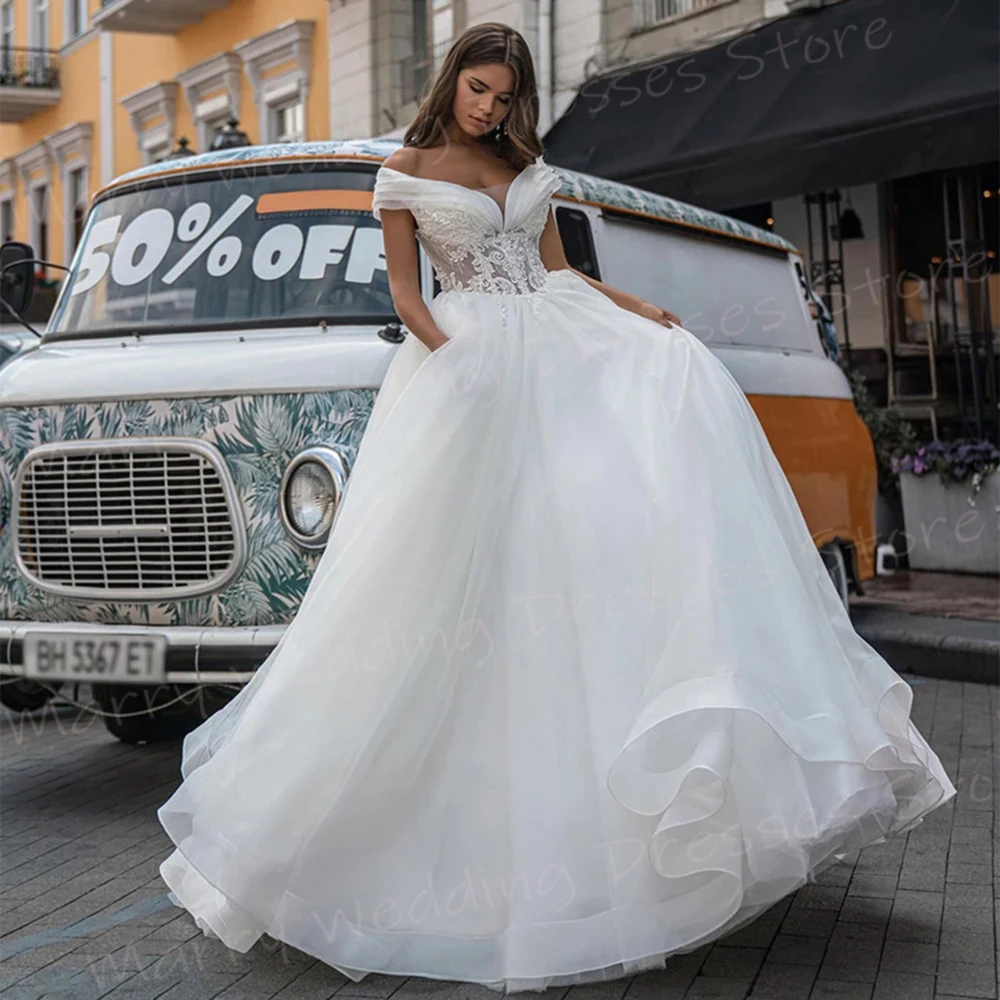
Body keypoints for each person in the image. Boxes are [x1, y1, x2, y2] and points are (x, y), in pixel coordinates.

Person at [157, 22, 955, 994]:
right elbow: (408, 296)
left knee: (611, 494)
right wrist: (460, 366)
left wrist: (638, 310)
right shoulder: (404, 172)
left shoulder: (529, 167)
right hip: (462, 366)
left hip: (560, 347)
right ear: (452, 79)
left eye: (502, 95)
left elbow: (559, 272)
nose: (487, 108)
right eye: (477, 89)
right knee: (438, 584)